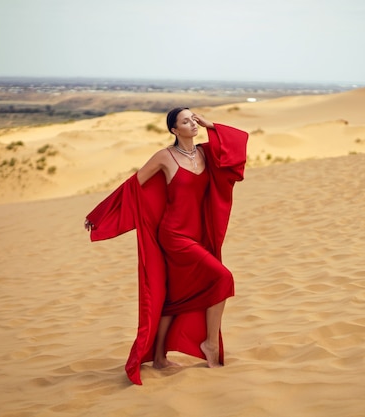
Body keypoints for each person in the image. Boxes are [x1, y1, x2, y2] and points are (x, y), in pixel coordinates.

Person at [85, 107, 248, 385]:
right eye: (186, 121)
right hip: (174, 237)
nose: (192, 123)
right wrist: (99, 215)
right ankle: (209, 344)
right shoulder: (165, 156)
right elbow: (132, 186)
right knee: (223, 277)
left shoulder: (206, 154)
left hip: (199, 236)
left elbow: (237, 146)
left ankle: (159, 358)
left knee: (176, 298)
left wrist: (211, 125)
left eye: (194, 118)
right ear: (174, 130)